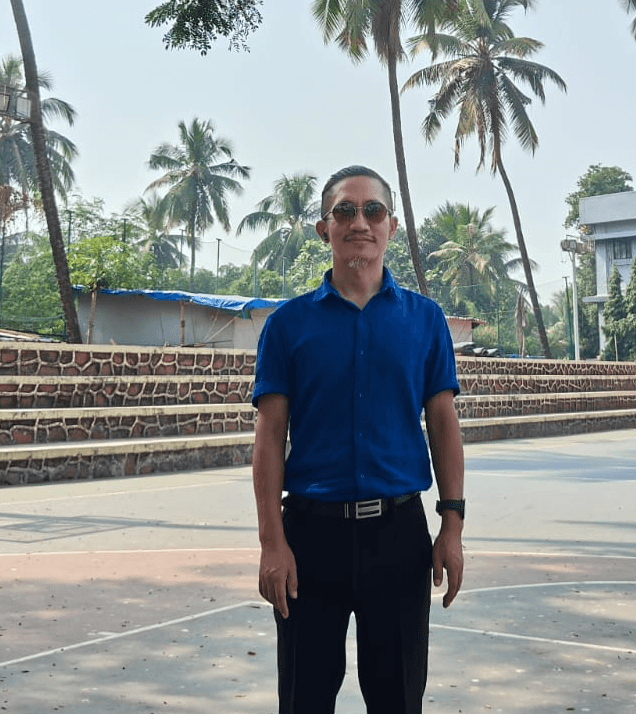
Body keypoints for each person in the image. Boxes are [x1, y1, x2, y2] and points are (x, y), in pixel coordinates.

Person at [252, 165, 465, 714]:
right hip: (309, 540)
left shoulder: (425, 320)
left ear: (391, 225)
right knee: (303, 699)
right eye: (344, 211)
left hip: (399, 536)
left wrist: (452, 526)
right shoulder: (287, 326)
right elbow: (269, 438)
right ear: (324, 228)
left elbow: (443, 425)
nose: (360, 222)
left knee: (398, 700)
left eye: (373, 210)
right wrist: (272, 543)